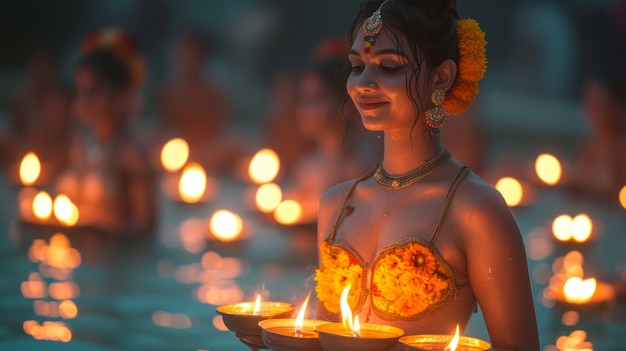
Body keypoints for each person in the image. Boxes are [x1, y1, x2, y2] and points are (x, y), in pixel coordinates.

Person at [313, 1, 539, 350]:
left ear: (442, 76)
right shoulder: (336, 203)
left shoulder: (476, 210)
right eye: (357, 66)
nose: (363, 84)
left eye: (388, 66)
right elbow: (321, 334)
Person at [55, 27, 156, 235]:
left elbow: (147, 229)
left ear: (120, 93)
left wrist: (99, 232)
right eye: (81, 92)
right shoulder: (80, 141)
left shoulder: (133, 153)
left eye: (95, 91)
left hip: (116, 263)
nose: (84, 101)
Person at [280, 37, 371, 224]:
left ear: (346, 103)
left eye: (318, 98)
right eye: (304, 100)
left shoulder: (358, 172)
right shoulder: (305, 165)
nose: (306, 110)